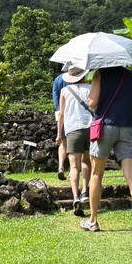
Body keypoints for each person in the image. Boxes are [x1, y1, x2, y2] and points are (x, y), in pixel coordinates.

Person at [81, 65, 132, 237]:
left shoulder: (100, 73)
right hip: (128, 126)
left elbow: (92, 101)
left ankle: (93, 220)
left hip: (105, 127)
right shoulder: (129, 75)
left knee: (97, 174)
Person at [56, 68, 93, 216]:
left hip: (73, 130)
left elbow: (62, 114)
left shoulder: (65, 91)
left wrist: (60, 134)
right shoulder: (90, 88)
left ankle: (75, 197)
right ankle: (85, 191)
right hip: (90, 128)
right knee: (86, 161)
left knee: (73, 165)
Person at [51, 68, 69, 179]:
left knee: (63, 142)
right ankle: (74, 169)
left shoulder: (57, 80)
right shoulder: (78, 79)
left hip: (60, 114)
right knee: (77, 145)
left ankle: (61, 167)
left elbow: (55, 97)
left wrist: (59, 110)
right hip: (74, 114)